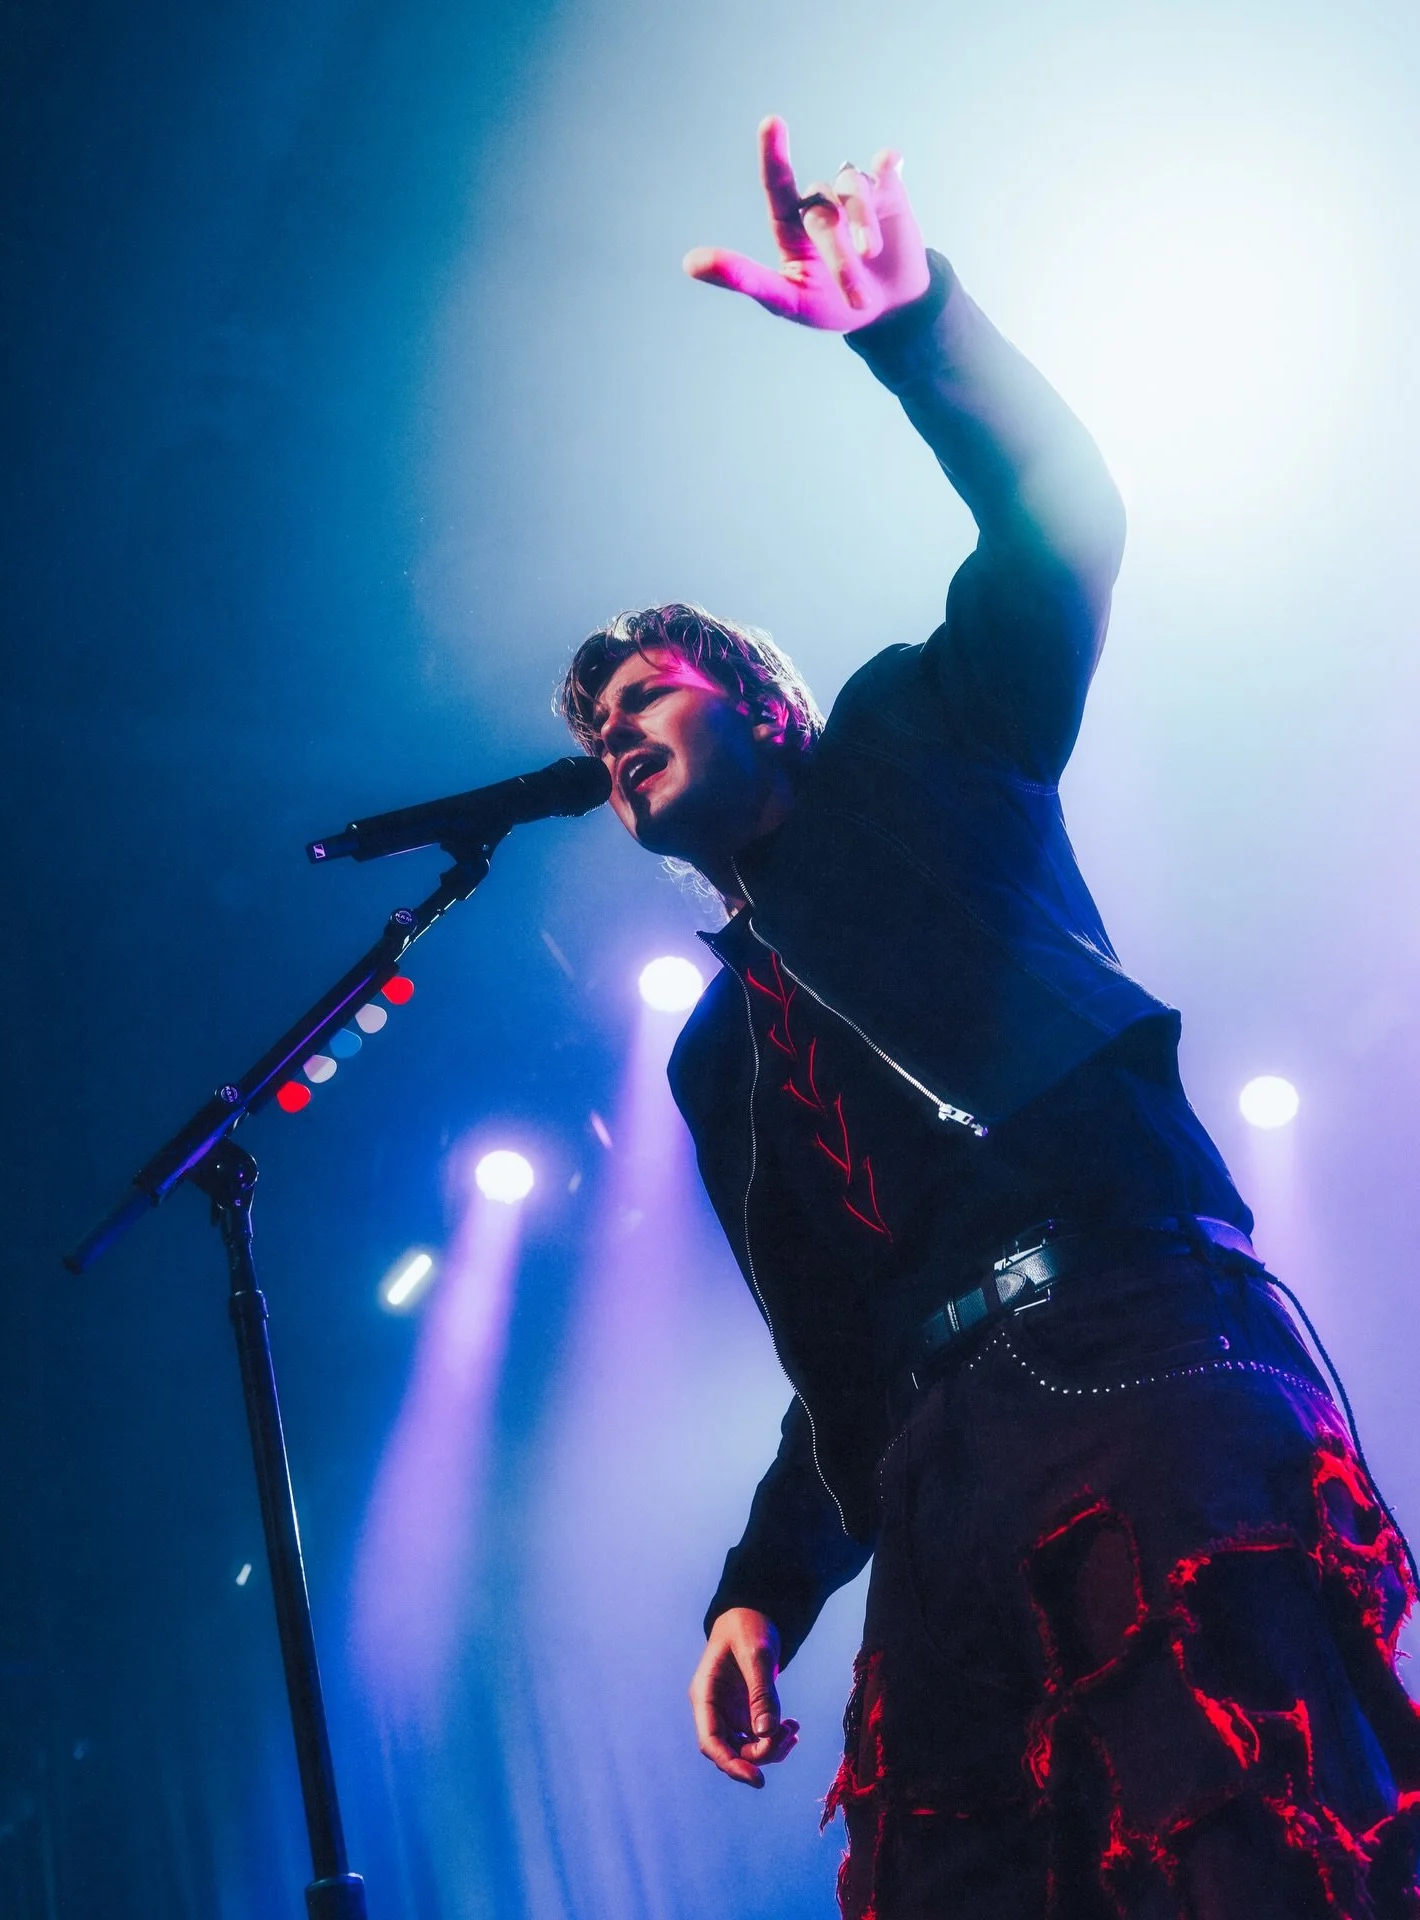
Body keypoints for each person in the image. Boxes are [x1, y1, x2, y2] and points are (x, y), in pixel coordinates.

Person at [556, 117, 1420, 1918]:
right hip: (940, 1468)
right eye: (595, 731)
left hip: (1133, 1346)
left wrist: (912, 331)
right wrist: (760, 1589)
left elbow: (1060, 528)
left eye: (644, 694)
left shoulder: (918, 745)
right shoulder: (717, 1057)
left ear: (764, 705)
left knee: (1243, 1837)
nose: (614, 733)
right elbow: (837, 1359)